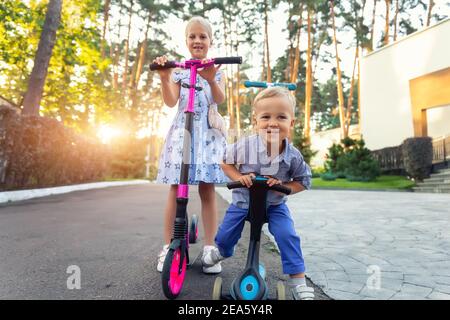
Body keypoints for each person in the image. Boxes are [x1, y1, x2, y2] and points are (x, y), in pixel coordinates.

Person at [202, 87, 315, 300]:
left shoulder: (293, 156)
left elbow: (303, 181)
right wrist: (238, 177)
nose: (273, 123)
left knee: (287, 235)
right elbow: (225, 162)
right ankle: (220, 253)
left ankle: (299, 283)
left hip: (274, 206)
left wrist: (283, 185)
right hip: (243, 203)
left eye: (281, 117)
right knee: (226, 237)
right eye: (266, 117)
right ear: (255, 122)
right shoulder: (245, 146)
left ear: (291, 123)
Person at [153, 16, 226, 274]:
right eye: (192, 36)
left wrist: (212, 78)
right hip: (182, 135)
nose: (197, 40)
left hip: (206, 137)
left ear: (210, 41)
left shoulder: (216, 68)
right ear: (186, 41)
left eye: (202, 36)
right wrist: (165, 77)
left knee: (208, 190)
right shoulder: (179, 70)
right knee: (176, 189)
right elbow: (171, 101)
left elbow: (219, 99)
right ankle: (168, 246)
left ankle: (209, 248)